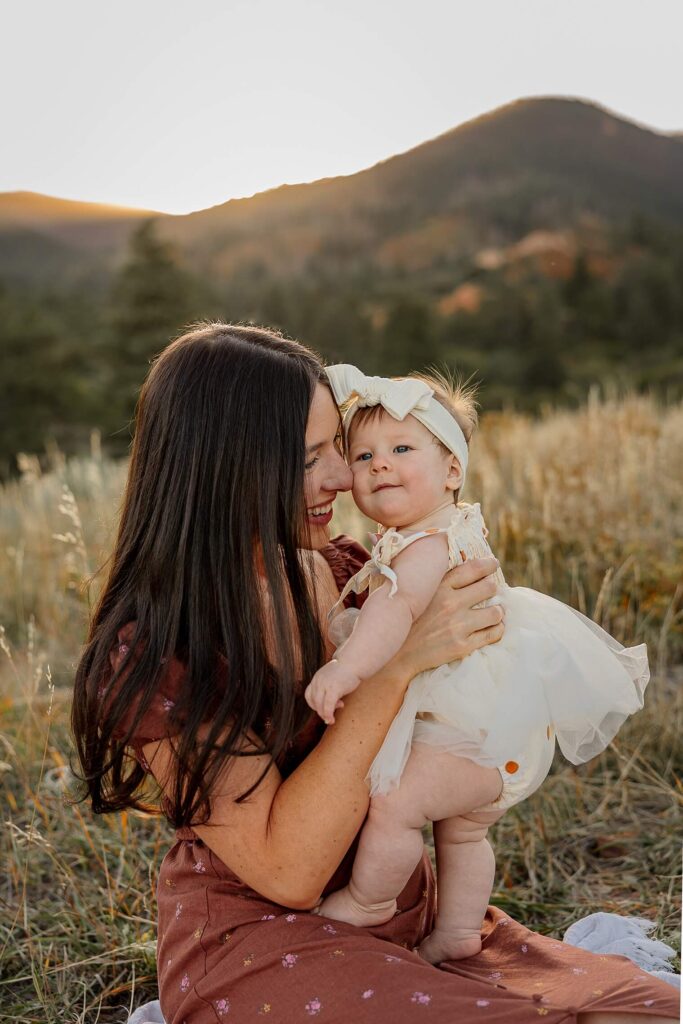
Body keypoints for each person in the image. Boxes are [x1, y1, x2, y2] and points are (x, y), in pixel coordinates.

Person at [72, 324, 677, 1023]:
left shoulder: (345, 570)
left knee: (646, 1012)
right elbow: (289, 873)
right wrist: (396, 668)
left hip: (399, 912)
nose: (342, 476)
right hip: (262, 942)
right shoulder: (157, 652)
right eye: (306, 461)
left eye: (339, 447)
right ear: (222, 470)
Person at [304, 364, 649, 966]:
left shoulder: (427, 545)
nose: (379, 464)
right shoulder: (435, 532)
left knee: (393, 805)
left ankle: (369, 901)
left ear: (453, 471)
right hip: (497, 736)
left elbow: (397, 610)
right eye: (361, 456)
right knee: (463, 829)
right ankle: (460, 933)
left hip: (471, 736)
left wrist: (345, 669)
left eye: (402, 448)